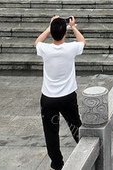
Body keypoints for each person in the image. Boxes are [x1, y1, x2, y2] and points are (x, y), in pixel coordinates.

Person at [35, 15, 86, 170]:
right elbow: (83, 42)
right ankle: (85, 151)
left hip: (49, 97)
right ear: (65, 33)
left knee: (51, 132)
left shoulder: (45, 49)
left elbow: (37, 42)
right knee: (75, 125)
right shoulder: (71, 48)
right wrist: (73, 26)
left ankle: (57, 164)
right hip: (68, 96)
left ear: (52, 32)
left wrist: (49, 27)